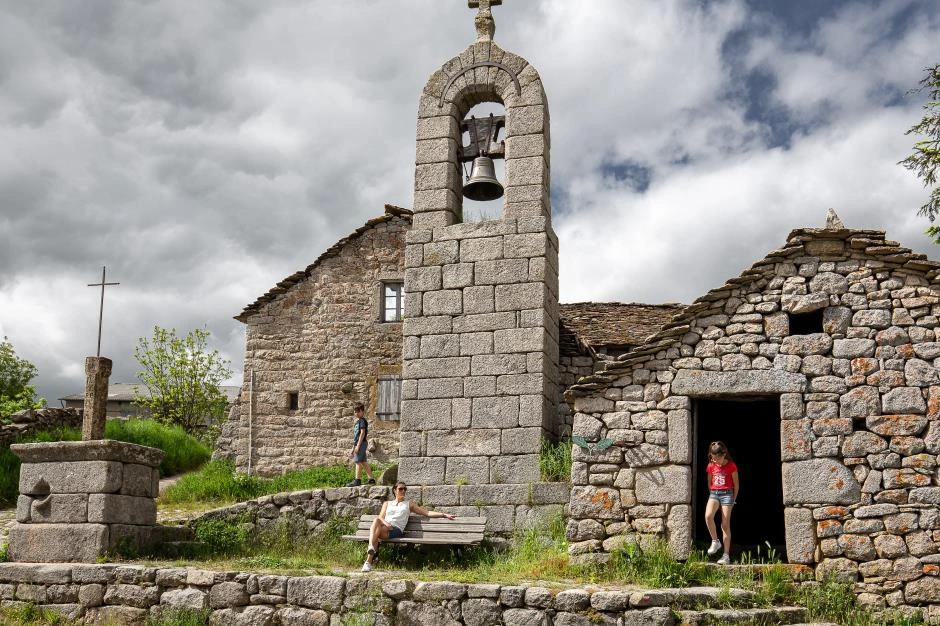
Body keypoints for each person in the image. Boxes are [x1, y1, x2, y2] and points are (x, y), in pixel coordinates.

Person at [361, 481, 456, 572]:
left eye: (405, 489)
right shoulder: (387, 503)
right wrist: (386, 523)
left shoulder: (409, 504)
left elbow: (426, 513)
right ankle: (369, 557)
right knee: (376, 521)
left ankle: (370, 554)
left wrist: (443, 514)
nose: (403, 491)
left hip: (396, 530)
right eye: (400, 489)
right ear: (395, 490)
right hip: (385, 527)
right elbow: (380, 517)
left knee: (376, 529)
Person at [704, 440, 738, 565]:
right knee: (708, 516)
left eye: (717, 458)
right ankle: (715, 541)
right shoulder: (711, 465)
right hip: (714, 493)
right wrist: (713, 496)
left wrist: (733, 500)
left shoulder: (731, 466)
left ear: (723, 454)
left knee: (725, 525)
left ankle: (726, 555)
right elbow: (709, 482)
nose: (715, 461)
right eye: (712, 458)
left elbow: (736, 484)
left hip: (727, 494)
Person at [346, 402, 375, 487]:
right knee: (363, 461)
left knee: (357, 461)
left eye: (358, 411)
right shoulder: (358, 422)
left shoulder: (362, 421)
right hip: (359, 443)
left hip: (361, 443)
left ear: (363, 411)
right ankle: (371, 479)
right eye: (355, 412)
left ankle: (357, 480)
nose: (356, 413)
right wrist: (353, 448)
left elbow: (362, 433)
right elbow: (356, 437)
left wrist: (358, 446)